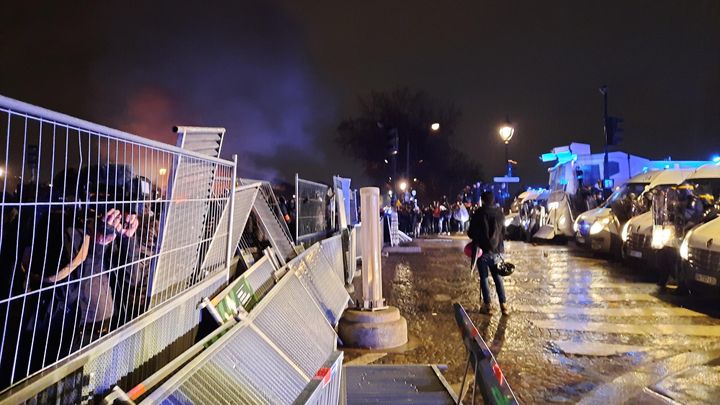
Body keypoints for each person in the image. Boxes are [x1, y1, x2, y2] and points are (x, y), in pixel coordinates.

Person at [468, 191, 510, 315]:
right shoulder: (500, 213)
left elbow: (471, 232)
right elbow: (504, 232)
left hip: (482, 251)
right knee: (498, 278)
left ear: (483, 200)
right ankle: (504, 305)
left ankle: (488, 306)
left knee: (484, 279)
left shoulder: (478, 214)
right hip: (497, 251)